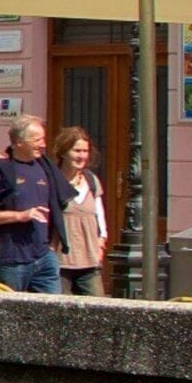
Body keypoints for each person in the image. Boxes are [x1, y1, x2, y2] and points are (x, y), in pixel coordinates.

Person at [0, 117, 61, 293]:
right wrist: (19, 216)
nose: (43, 144)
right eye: (37, 140)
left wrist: (52, 247)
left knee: (53, 315)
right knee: (12, 317)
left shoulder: (45, 167)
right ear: (19, 142)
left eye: (43, 139)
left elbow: (59, 205)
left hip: (44, 257)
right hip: (11, 261)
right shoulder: (0, 169)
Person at [51, 126, 110, 296]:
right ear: (63, 152)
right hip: (61, 263)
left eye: (85, 151)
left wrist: (101, 241)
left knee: (98, 311)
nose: (82, 156)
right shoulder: (53, 181)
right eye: (77, 151)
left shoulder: (91, 180)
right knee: (62, 314)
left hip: (90, 263)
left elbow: (99, 216)